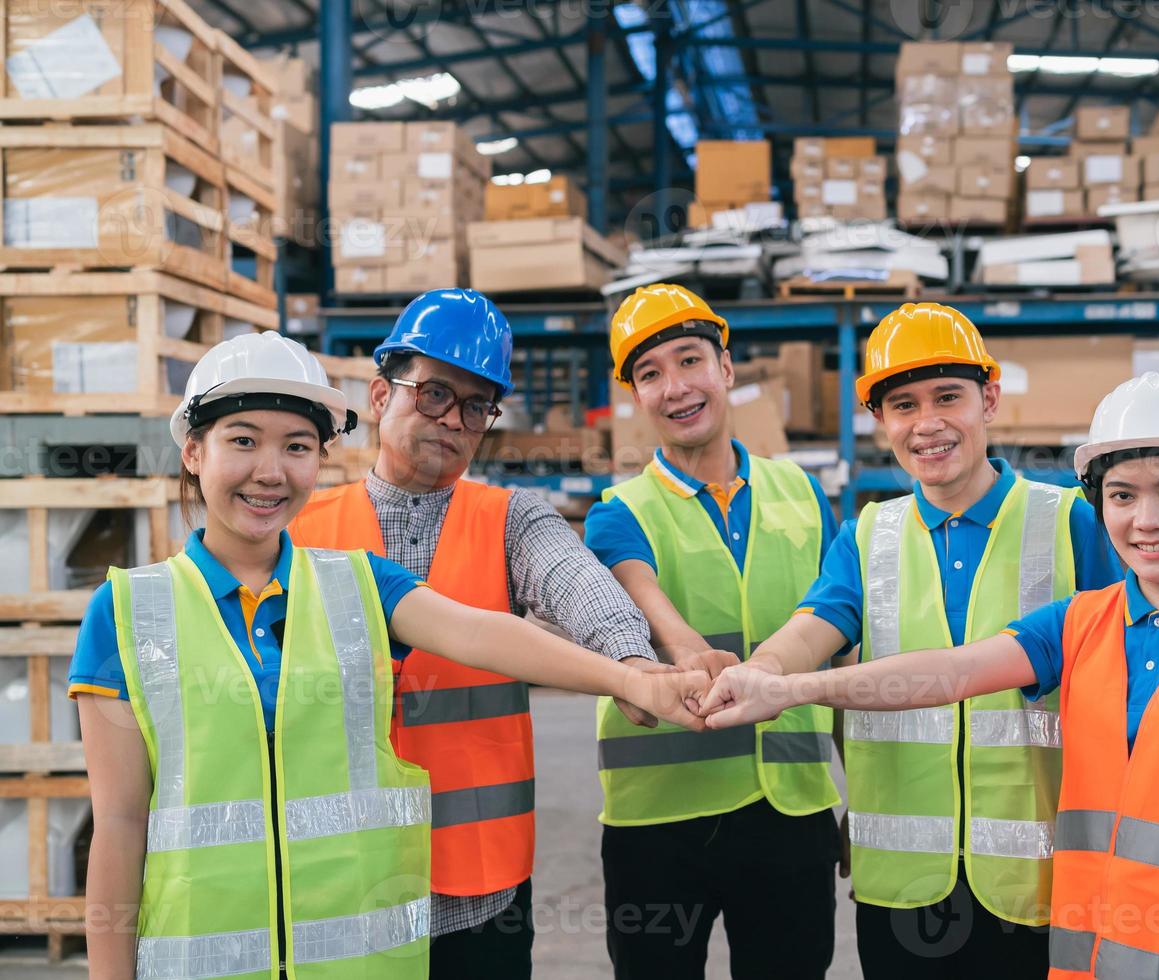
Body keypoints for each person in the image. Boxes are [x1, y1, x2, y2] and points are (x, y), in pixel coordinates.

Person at [68, 332, 707, 980]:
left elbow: (482, 634)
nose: (270, 470)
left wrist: (632, 676)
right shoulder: (127, 612)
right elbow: (120, 825)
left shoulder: (358, 583)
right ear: (194, 450)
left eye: (296, 447)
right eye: (243, 440)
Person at [701, 372, 1159, 980]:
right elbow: (946, 675)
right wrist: (787, 688)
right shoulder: (1080, 624)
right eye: (1122, 496)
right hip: (1094, 956)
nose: (1148, 520)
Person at [660, 301, 1119, 976]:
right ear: (879, 421)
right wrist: (764, 673)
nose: (927, 423)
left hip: (1039, 880)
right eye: (902, 404)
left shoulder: (1073, 523)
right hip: (903, 886)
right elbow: (814, 626)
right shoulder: (868, 535)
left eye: (948, 397)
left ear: (989, 398)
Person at [288, 288, 670, 978]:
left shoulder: (512, 519)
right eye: (434, 393)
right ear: (380, 395)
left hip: (480, 891)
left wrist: (633, 662)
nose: (453, 420)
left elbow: (578, 584)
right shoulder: (300, 532)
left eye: (475, 406)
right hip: (339, 884)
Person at [581, 283, 844, 979]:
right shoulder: (618, 513)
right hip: (660, 827)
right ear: (635, 395)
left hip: (791, 812)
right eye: (650, 373)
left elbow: (845, 645)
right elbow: (643, 595)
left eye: (690, 360)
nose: (675, 387)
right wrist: (686, 647)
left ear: (727, 369)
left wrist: (862, 801)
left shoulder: (806, 499)